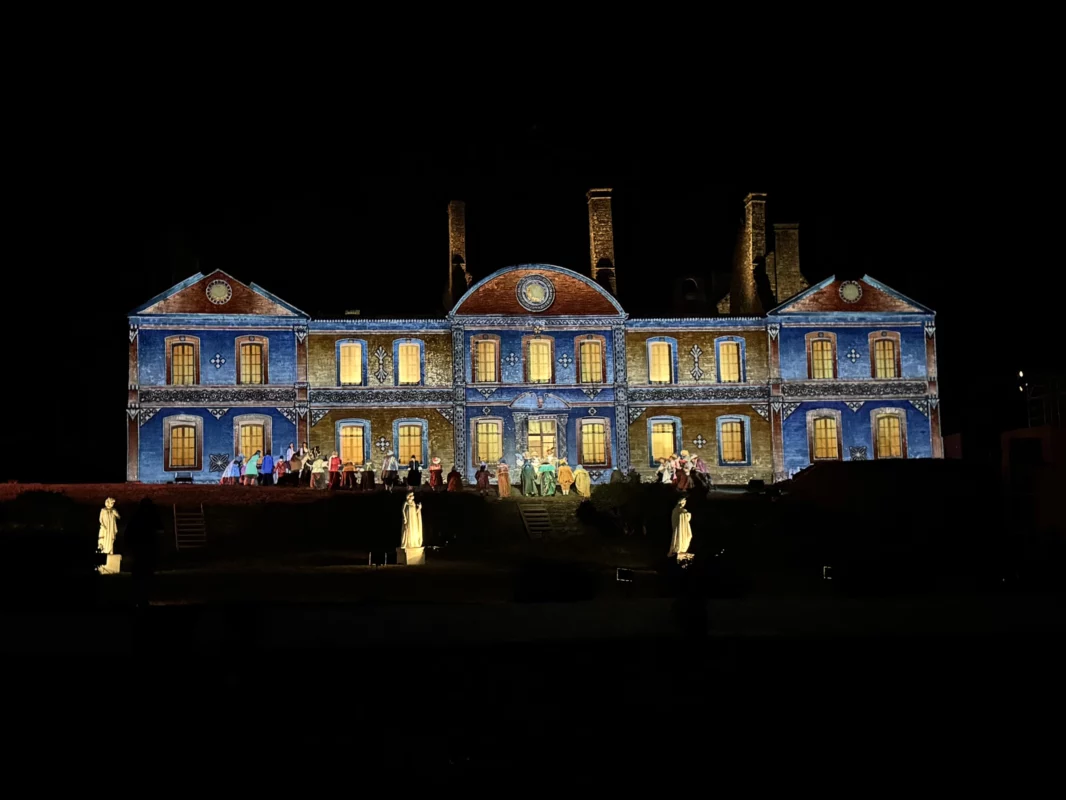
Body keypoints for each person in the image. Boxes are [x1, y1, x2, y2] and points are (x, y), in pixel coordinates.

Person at [126, 498, 161, 609]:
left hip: (143, 550)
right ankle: (140, 598)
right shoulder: (145, 517)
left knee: (142, 575)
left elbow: (128, 533)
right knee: (142, 574)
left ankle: (141, 598)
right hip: (143, 550)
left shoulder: (139, 517)